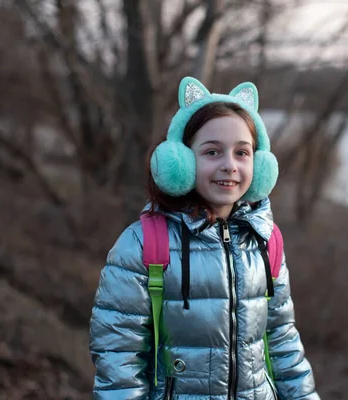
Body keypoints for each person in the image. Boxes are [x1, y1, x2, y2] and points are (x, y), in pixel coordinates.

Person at [89, 77, 320, 400]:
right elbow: (118, 358)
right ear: (180, 161)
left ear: (260, 164)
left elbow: (283, 342)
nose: (230, 165)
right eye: (212, 152)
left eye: (242, 152)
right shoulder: (143, 244)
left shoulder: (266, 243)